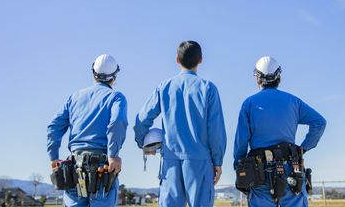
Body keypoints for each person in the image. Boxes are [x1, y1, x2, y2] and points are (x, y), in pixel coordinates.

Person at [134, 41, 227, 207]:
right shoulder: (208, 89)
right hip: (200, 161)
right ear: (201, 60)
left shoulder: (164, 87)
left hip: (170, 161)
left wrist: (144, 143)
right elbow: (216, 130)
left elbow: (142, 119)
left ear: (177, 59)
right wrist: (217, 161)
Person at [234, 56, 326, 207]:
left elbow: (241, 143)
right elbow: (319, 123)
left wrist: (239, 166)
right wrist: (303, 149)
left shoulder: (249, 104)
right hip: (292, 168)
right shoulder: (293, 101)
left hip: (259, 172)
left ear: (257, 78)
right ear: (279, 77)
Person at [47, 54, 128, 207]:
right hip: (102, 169)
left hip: (73, 170)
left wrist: (53, 157)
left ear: (93, 73)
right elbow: (117, 122)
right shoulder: (116, 97)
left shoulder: (75, 97)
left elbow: (54, 126)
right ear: (114, 76)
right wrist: (113, 155)